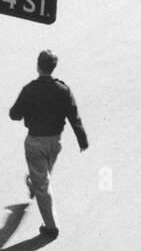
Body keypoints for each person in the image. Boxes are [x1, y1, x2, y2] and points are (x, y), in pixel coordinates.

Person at [8, 49, 88, 240]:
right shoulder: (63, 89)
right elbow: (73, 116)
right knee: (43, 176)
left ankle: (51, 227)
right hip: (55, 142)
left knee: (42, 185)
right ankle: (35, 184)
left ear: (38, 65)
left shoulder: (30, 89)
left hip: (35, 141)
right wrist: (82, 139)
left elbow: (14, 114)